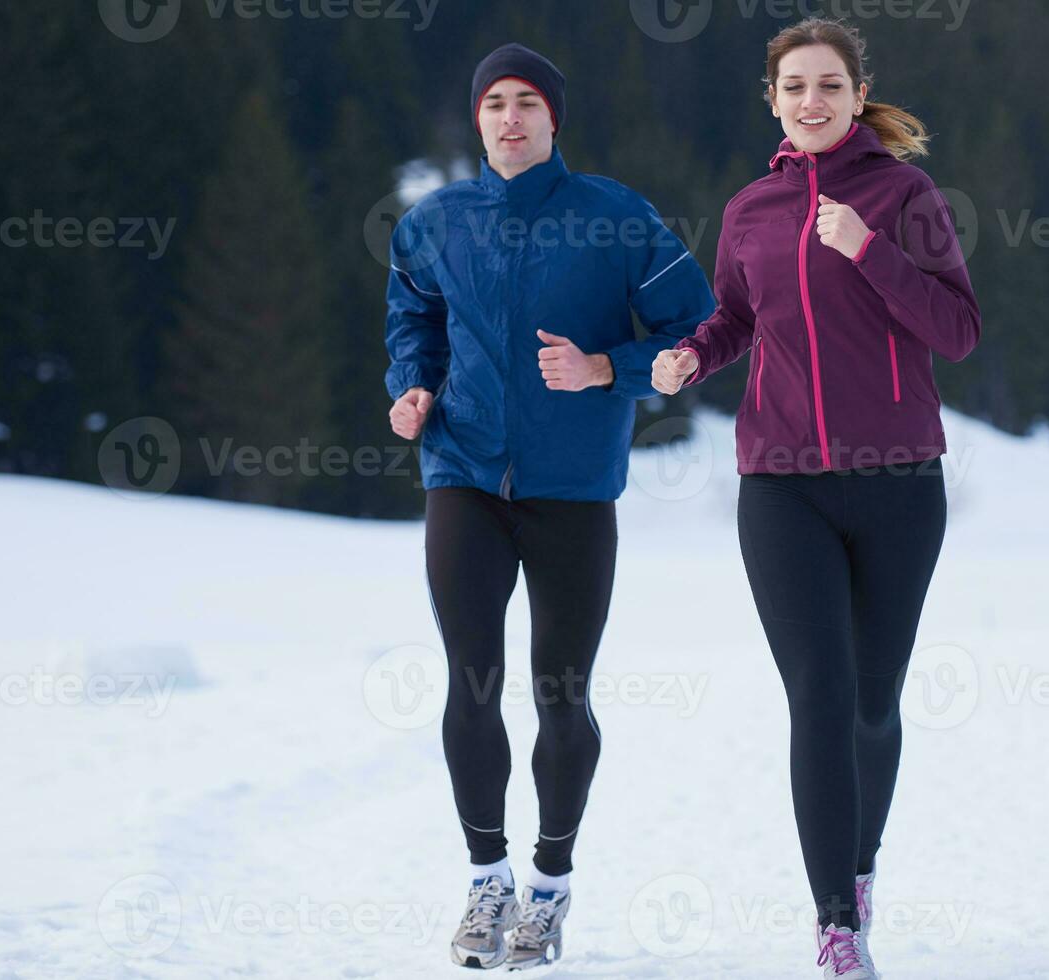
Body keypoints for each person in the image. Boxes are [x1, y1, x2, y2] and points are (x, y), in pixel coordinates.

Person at [650, 18, 981, 980]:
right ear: (773, 100)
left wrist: (869, 249)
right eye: (794, 86)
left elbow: (956, 330)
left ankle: (860, 869)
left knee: (873, 704)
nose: (811, 101)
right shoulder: (751, 206)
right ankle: (835, 923)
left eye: (828, 84)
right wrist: (691, 355)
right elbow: (736, 317)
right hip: (780, 487)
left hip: (898, 485)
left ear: (855, 92)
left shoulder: (904, 194)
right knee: (819, 699)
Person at [383, 41, 715, 971]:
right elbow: (409, 317)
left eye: (528, 101)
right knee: (471, 682)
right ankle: (485, 880)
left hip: (572, 490)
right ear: (478, 118)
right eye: (495, 103)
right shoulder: (435, 223)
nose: (511, 118)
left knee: (561, 693)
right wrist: (411, 388)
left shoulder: (617, 217)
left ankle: (549, 888)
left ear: (553, 117)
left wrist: (609, 368)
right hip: (463, 477)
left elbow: (701, 329)